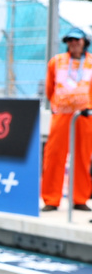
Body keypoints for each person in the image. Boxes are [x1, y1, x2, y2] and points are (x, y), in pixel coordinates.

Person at [41, 28, 92, 212]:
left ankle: (79, 198)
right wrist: (57, 105)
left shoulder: (91, 62)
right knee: (54, 155)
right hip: (61, 114)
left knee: (83, 156)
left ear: (84, 42)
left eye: (77, 40)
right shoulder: (56, 61)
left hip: (84, 115)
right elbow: (49, 88)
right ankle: (51, 199)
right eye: (70, 40)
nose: (73, 43)